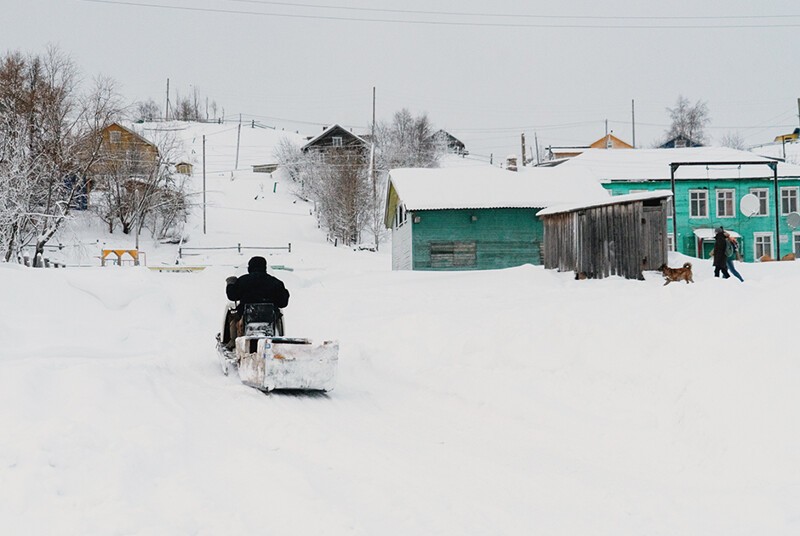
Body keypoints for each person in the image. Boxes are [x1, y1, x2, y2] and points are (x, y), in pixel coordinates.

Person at [224, 256, 290, 348]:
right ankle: (279, 342)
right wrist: (285, 292)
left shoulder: (243, 280)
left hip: (245, 316)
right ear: (265, 267)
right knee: (278, 317)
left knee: (233, 316)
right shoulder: (275, 282)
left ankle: (233, 342)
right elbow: (283, 303)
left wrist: (230, 284)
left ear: (250, 267)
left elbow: (232, 296)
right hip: (270, 318)